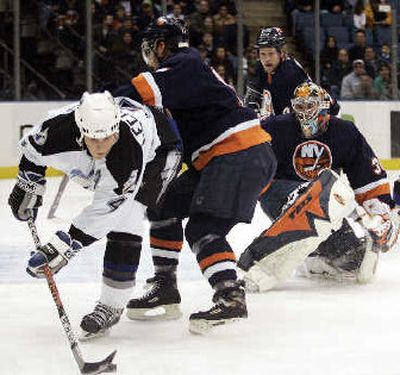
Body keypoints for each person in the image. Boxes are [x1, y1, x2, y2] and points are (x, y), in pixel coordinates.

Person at [114, 17, 276, 333]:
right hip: (227, 156)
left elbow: (132, 92)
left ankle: (230, 296)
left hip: (237, 153)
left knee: (204, 228)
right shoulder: (186, 73)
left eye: (151, 47)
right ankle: (165, 285)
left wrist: (97, 105)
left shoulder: (183, 63)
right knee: (161, 205)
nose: (149, 55)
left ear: (162, 45)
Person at [8, 91, 182, 339]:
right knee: (115, 199)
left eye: (107, 138)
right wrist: (28, 184)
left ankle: (110, 305)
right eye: (93, 139)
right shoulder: (56, 128)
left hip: (160, 149)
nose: (100, 146)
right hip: (118, 143)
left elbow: (106, 211)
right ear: (80, 131)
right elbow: (32, 150)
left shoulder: (126, 155)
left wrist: (63, 247)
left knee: (127, 219)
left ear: (116, 131)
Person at [238, 82, 397, 291]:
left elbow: (368, 178)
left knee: (351, 255)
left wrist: (380, 213)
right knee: (315, 193)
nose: (305, 113)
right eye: (300, 107)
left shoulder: (344, 132)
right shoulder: (276, 127)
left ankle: (313, 257)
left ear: (324, 106)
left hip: (326, 202)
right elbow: (245, 152)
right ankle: (263, 255)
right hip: (278, 194)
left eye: (310, 106)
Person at [243, 27, 310, 118]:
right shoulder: (261, 67)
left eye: (271, 53)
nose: (267, 59)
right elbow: (253, 96)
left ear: (281, 53)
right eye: (263, 54)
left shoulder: (290, 72)